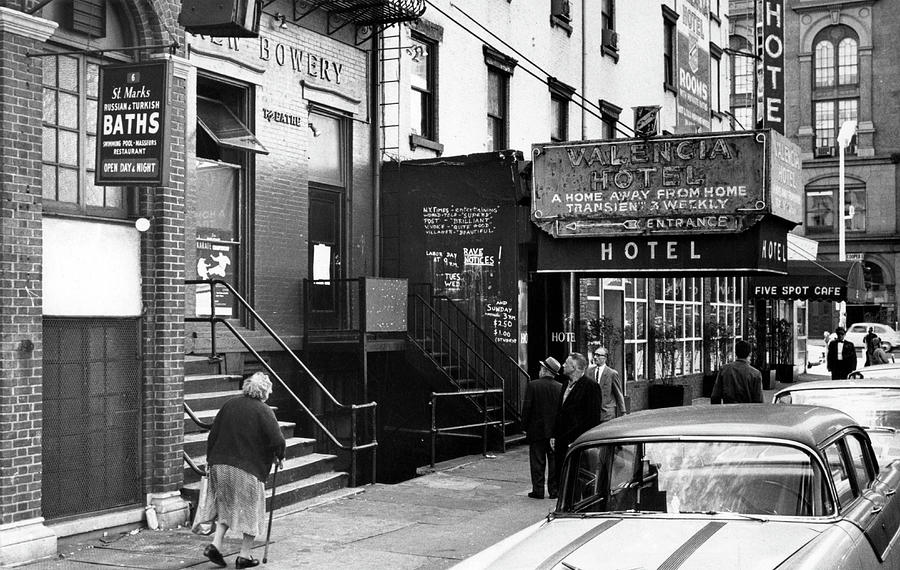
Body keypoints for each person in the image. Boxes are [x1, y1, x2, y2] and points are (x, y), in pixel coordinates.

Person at [198, 372, 286, 569]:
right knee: (251, 511)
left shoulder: (229, 404)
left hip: (220, 465)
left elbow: (213, 434)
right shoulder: (264, 410)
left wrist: (209, 460)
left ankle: (215, 545)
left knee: (226, 506)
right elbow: (278, 440)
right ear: (264, 391)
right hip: (247, 468)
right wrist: (280, 455)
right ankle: (244, 556)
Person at [553, 352, 603, 485]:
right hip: (561, 440)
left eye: (566, 363)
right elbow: (560, 412)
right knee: (562, 477)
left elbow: (592, 418)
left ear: (575, 368)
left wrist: (579, 440)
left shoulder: (590, 387)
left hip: (577, 442)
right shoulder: (565, 384)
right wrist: (555, 435)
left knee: (577, 479)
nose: (563, 365)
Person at [521, 357, 563, 499]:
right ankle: (554, 491)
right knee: (554, 463)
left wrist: (524, 426)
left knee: (537, 462)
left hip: (536, 431)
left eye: (541, 368)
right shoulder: (560, 387)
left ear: (545, 370)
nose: (539, 370)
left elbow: (527, 407)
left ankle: (538, 490)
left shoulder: (533, 385)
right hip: (554, 432)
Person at [710, 339, 763, 404]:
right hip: (747, 412)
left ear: (736, 353)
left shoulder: (724, 369)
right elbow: (758, 400)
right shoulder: (756, 374)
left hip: (728, 411)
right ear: (750, 354)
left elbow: (715, 396)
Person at [587, 346, 627, 422]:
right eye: (594, 355)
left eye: (598, 355)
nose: (595, 357)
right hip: (593, 414)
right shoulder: (589, 371)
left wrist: (623, 412)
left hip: (607, 414)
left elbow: (618, 393)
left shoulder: (612, 373)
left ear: (605, 358)